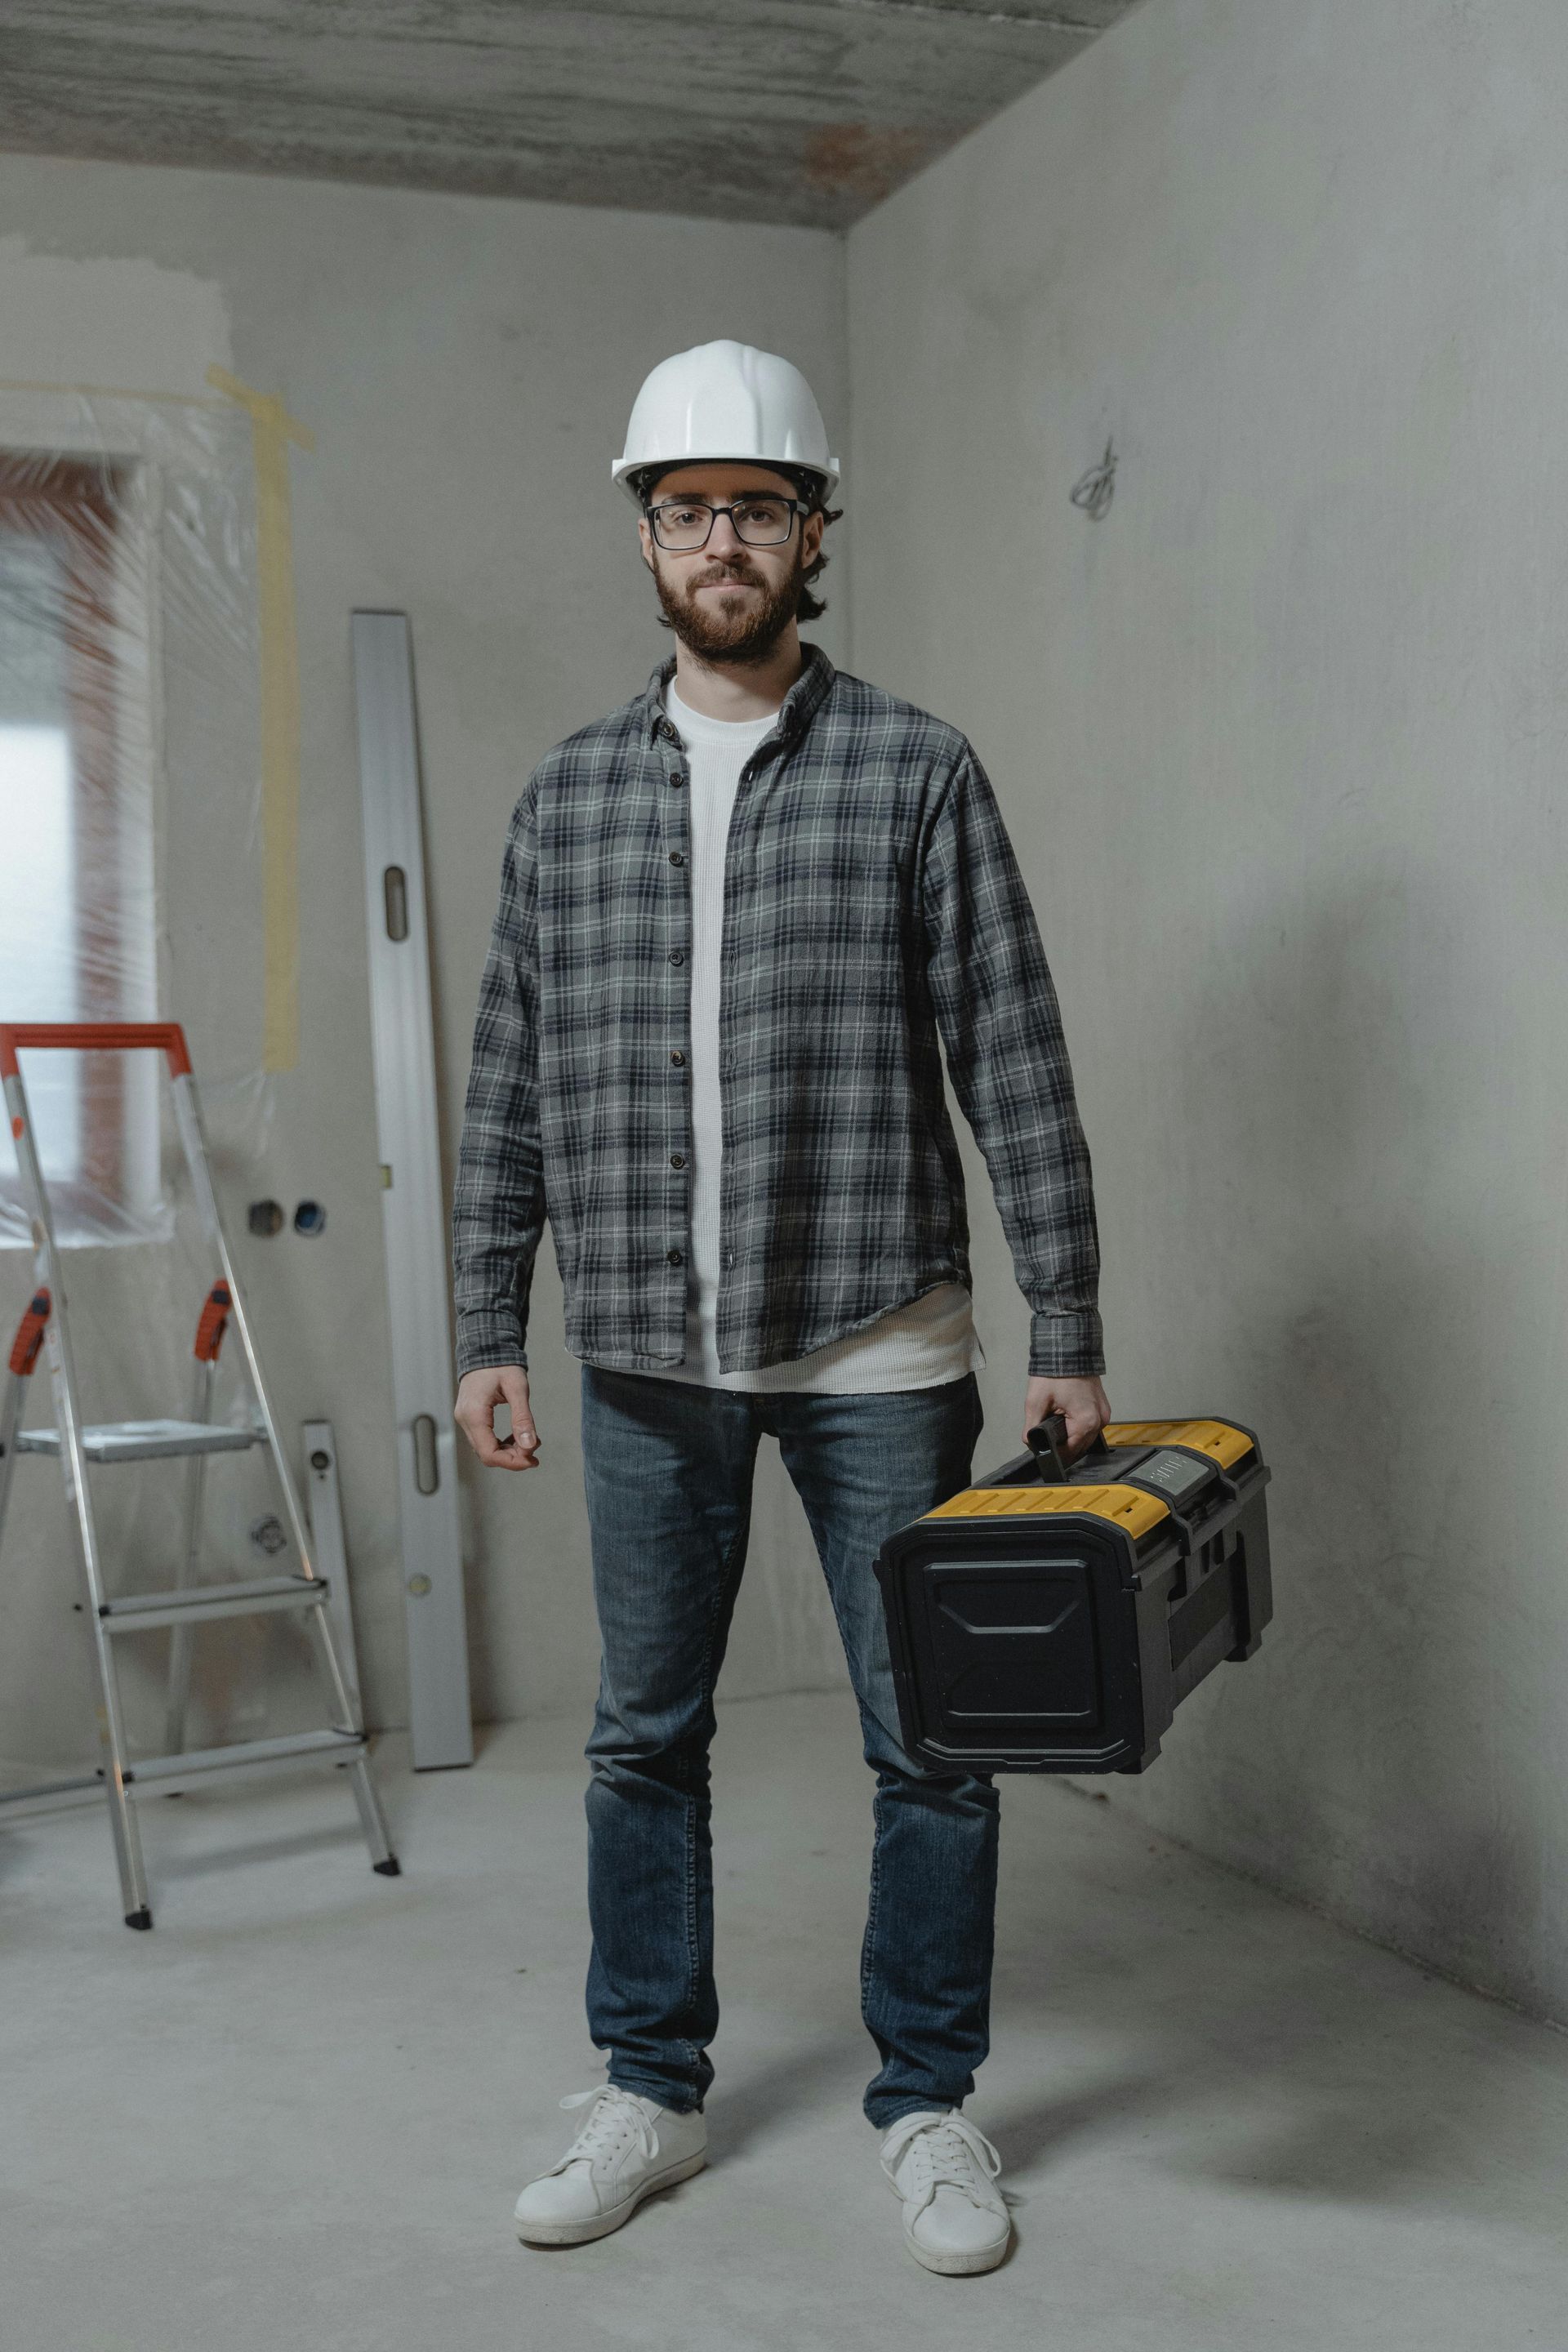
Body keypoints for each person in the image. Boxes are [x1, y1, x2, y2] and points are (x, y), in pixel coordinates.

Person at [452, 339, 1109, 2276]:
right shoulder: (566, 796)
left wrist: (1064, 1320)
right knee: (643, 1734)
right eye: (685, 510)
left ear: (813, 531)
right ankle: (647, 2087)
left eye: (755, 507)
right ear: (644, 540)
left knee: (933, 1747)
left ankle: (928, 2107)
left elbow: (1016, 1053)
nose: (719, 540)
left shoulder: (918, 768)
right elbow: (508, 1077)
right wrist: (491, 1319)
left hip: (880, 1343)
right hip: (645, 1349)